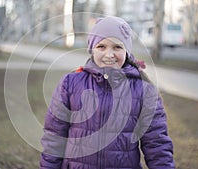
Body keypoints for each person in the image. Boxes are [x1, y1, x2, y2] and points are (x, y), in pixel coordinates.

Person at [40, 16, 175, 169]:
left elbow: (157, 144)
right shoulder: (70, 83)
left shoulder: (144, 91)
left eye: (117, 47)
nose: (109, 54)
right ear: (92, 49)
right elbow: (54, 138)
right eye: (101, 46)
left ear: (126, 50)